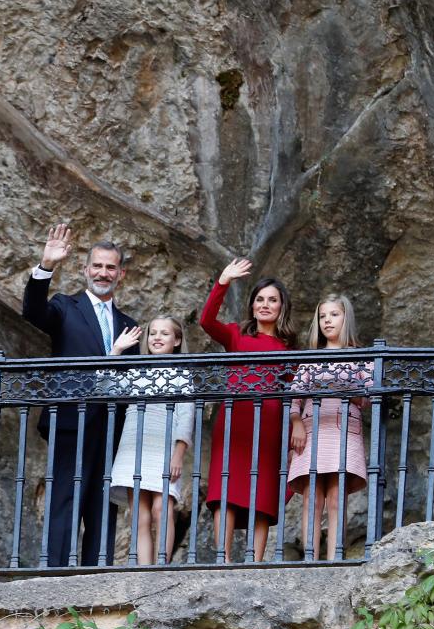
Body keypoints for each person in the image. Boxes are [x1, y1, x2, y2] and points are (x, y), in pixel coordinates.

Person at [22, 223, 142, 567]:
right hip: (71, 418)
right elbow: (33, 312)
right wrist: (46, 266)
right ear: (85, 269)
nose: (103, 273)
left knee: (103, 503)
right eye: (97, 266)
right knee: (65, 498)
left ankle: (97, 578)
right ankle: (56, 576)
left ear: (121, 274)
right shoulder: (64, 306)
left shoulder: (128, 324)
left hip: (112, 427)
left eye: (110, 267)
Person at [200, 258, 297, 562]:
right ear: (252, 305)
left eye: (272, 300)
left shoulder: (289, 349)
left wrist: (297, 425)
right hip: (235, 420)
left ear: (282, 308)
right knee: (225, 489)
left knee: (263, 490)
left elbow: (296, 392)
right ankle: (223, 557)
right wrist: (223, 281)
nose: (265, 305)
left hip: (270, 424)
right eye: (260, 299)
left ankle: (255, 561)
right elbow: (206, 321)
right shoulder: (236, 336)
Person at [288, 293, 371, 560]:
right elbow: (295, 395)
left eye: (333, 315)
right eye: (322, 316)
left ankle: (335, 557)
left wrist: (345, 387)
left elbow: (368, 397)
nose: (327, 321)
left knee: (337, 498)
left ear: (346, 317)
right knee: (313, 498)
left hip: (344, 430)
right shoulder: (311, 357)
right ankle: (309, 558)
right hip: (312, 429)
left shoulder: (361, 356)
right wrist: (296, 423)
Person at [110, 317, 195, 564]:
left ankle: (160, 568)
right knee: (140, 515)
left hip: (164, 449)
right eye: (153, 333)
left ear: (177, 340)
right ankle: (144, 571)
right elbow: (106, 386)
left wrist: (179, 453)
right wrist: (116, 351)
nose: (157, 337)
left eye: (165, 333)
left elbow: (186, 416)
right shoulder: (137, 372)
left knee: (162, 510)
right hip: (133, 447)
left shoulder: (181, 375)